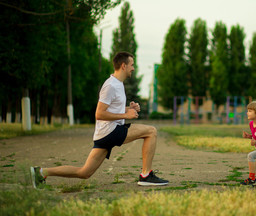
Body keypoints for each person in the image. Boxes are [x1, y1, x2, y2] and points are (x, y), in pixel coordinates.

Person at [30, 51, 168, 188]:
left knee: (84, 172)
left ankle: (42, 172)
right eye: (131, 64)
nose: (133, 68)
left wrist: (128, 108)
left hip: (104, 134)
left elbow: (111, 109)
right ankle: (146, 175)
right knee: (151, 131)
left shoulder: (118, 84)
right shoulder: (110, 86)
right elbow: (99, 114)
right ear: (123, 66)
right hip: (110, 131)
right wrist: (125, 116)